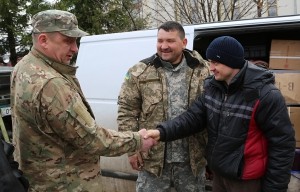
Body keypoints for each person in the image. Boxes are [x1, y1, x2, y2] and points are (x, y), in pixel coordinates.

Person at [10, 9, 156, 192]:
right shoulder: (52, 84)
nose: (75, 48)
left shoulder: (24, 66)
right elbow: (93, 139)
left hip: (39, 181)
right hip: (66, 184)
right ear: (43, 40)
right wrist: (137, 140)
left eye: (75, 41)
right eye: (67, 41)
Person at [145, 36, 296, 192]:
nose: (211, 68)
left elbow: (283, 146)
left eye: (215, 63)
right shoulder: (213, 87)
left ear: (232, 62)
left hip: (247, 182)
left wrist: (275, 188)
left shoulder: (264, 95)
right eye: (210, 62)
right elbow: (192, 118)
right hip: (220, 177)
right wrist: (160, 132)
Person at [117, 21, 210, 192]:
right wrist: (131, 149)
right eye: (160, 41)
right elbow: (127, 112)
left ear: (184, 43)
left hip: (191, 162)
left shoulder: (202, 70)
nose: (164, 46)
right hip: (153, 162)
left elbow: (212, 111)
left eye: (170, 41)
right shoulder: (140, 71)